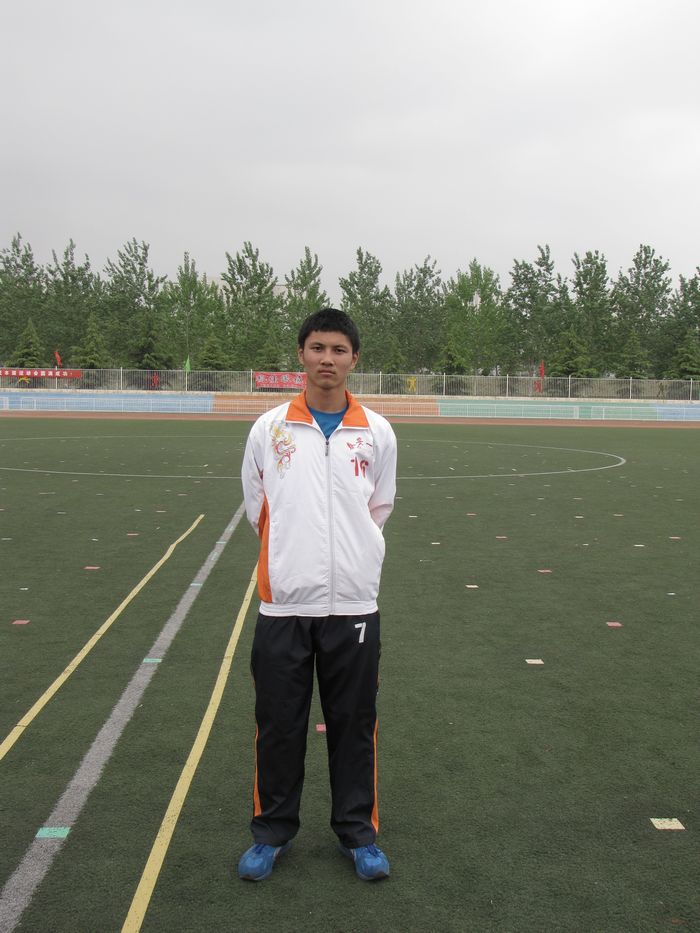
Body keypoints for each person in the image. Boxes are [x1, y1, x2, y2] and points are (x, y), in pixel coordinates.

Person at [238, 308, 397, 882]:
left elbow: (379, 507)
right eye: (317, 348)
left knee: (354, 724)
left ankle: (358, 834)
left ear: (354, 359)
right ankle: (271, 833)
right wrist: (292, 560)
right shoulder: (270, 429)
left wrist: (353, 559)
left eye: (338, 350)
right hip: (284, 604)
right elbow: (257, 505)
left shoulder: (376, 431)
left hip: (354, 605)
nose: (327, 359)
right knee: (278, 725)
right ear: (301, 355)